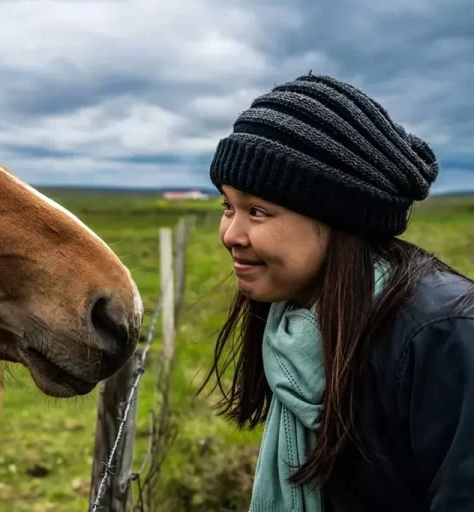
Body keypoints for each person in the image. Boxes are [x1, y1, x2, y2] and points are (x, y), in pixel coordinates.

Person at [199, 73, 474, 512]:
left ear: (337, 217)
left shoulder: (445, 339)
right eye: (227, 206)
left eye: (257, 211)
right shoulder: (294, 325)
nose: (231, 233)